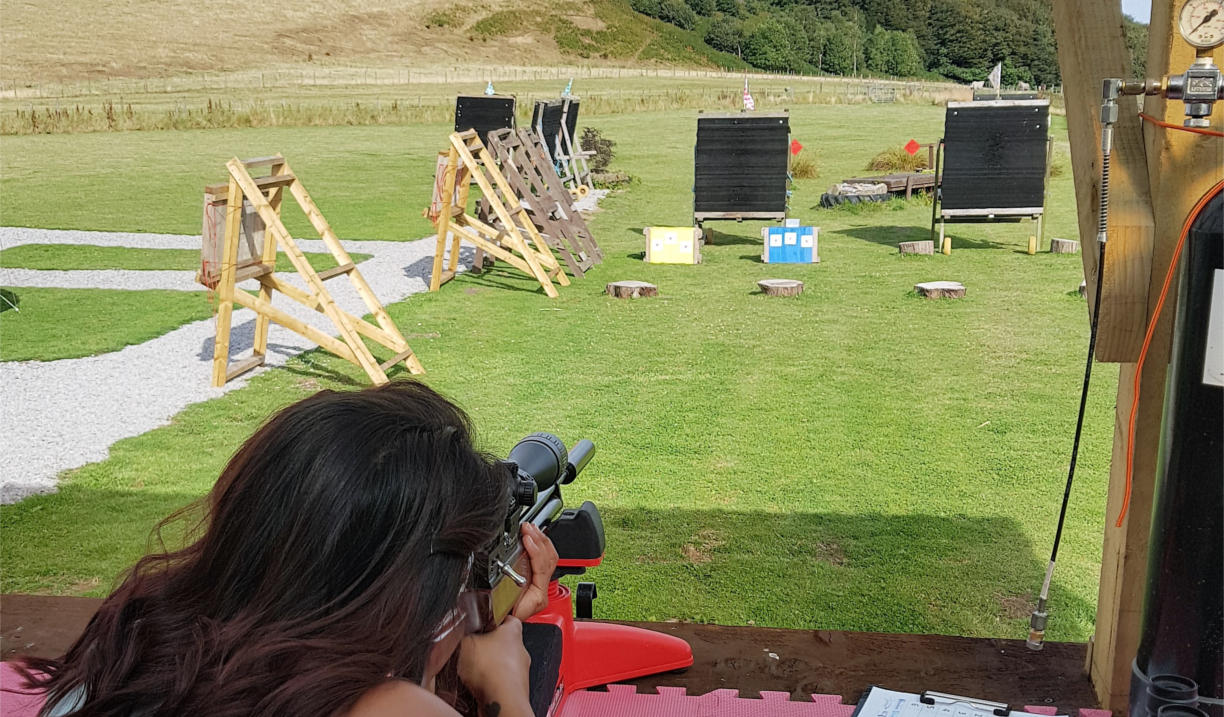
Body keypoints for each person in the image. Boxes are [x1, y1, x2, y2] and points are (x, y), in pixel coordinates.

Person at [17, 381, 559, 717]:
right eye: (462, 576)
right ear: (408, 594)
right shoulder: (387, 709)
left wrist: (471, 614)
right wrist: (504, 690)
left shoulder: (127, 650)